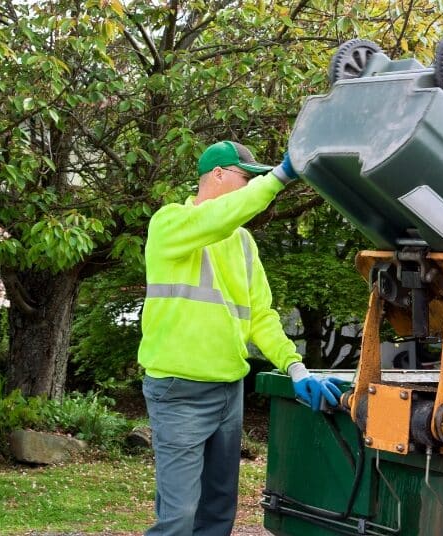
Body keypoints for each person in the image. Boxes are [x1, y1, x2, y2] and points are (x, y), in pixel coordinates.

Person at [138, 140, 344, 536]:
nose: (251, 186)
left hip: (228, 391)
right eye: (245, 177)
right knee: (179, 518)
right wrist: (279, 178)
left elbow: (261, 317)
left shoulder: (243, 243)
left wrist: (296, 368)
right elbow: (220, 216)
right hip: (178, 392)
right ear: (217, 175)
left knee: (218, 515)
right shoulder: (169, 223)